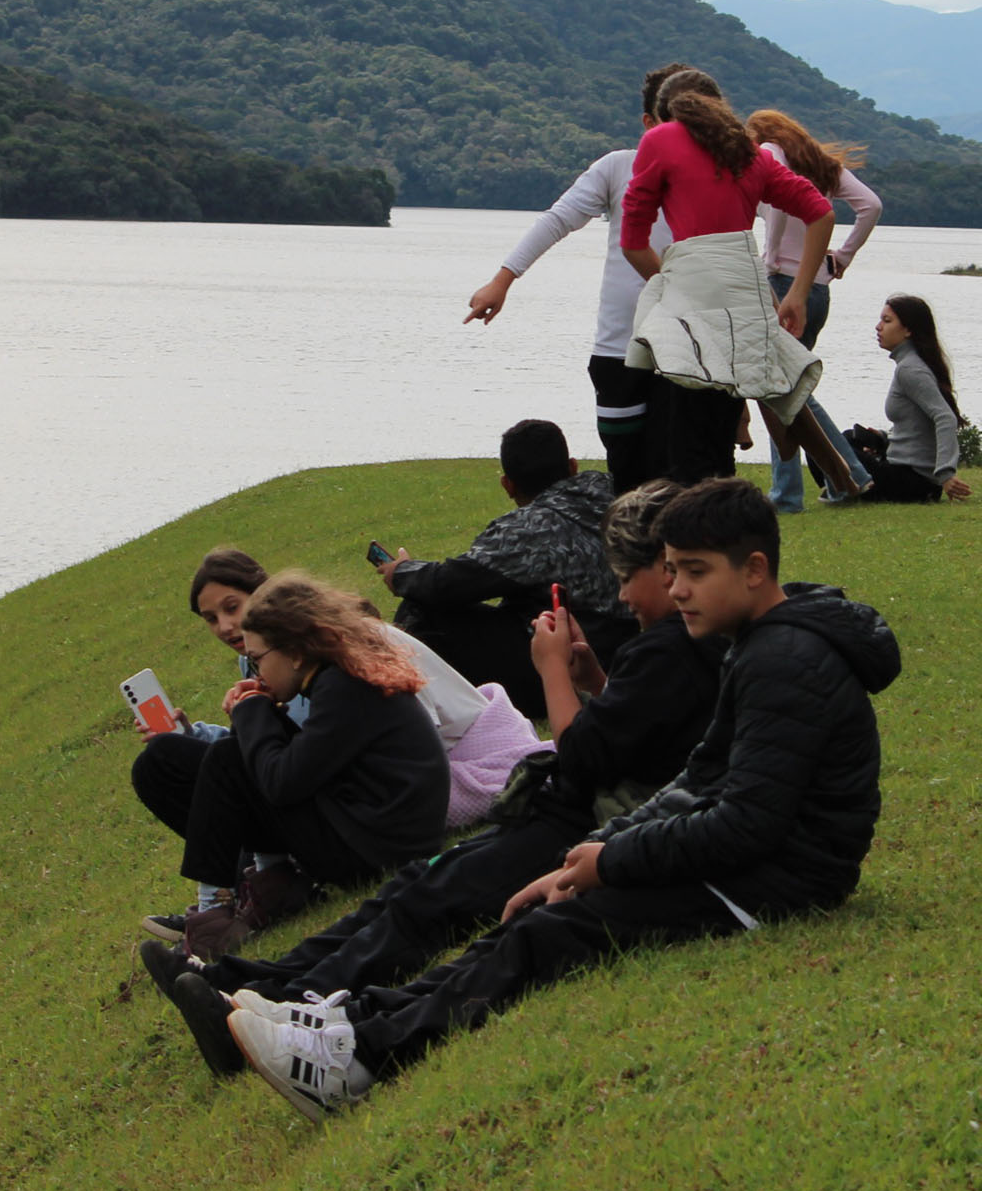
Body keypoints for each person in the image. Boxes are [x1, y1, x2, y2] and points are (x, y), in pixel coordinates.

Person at [222, 478, 895, 1118]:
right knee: (532, 909)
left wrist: (610, 864)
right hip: (752, 860)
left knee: (548, 933)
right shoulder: (755, 645)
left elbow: (746, 822)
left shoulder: (785, 660)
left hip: (777, 880)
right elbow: (701, 777)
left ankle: (359, 1057)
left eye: (694, 572)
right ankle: (352, 1022)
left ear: (752, 570)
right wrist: (598, 851)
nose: (678, 588)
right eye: (671, 570)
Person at [136, 482, 729, 1075]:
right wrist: (594, 678)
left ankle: (277, 1005)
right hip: (558, 811)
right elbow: (635, 733)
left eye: (655, 574)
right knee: (411, 889)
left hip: (580, 820)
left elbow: (582, 755)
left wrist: (552, 673)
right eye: (667, 572)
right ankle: (245, 987)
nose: (626, 593)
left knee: (428, 900)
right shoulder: (666, 648)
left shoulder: (674, 651)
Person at [136, 549, 501, 935]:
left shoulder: (346, 678)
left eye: (259, 660)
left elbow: (282, 777)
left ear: (292, 649)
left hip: (373, 842)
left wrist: (253, 711)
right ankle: (256, 889)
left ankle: (217, 910)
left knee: (229, 760)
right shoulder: (325, 672)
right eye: (211, 619)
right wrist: (249, 714)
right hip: (363, 824)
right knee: (167, 761)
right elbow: (295, 755)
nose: (227, 629)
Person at [463, 65, 697, 488]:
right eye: (674, 122)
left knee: (677, 478)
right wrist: (503, 279)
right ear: (649, 123)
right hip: (618, 352)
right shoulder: (616, 168)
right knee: (627, 479)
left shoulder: (716, 175)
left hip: (687, 350)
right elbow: (557, 220)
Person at [618, 76, 839, 483]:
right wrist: (797, 294)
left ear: (667, 114)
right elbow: (821, 212)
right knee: (720, 430)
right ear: (720, 107)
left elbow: (633, 242)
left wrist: (671, 286)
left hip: (695, 303)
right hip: (744, 304)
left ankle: (692, 525)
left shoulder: (660, 140)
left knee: (684, 433)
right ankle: (728, 516)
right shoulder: (750, 153)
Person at [374, 420, 629, 720]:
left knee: (422, 611)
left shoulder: (530, 529)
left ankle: (409, 709)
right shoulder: (618, 493)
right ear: (572, 466)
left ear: (508, 484)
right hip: (624, 652)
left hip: (563, 664)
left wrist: (401, 572)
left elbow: (447, 583)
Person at [750, 108, 883, 511]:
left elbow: (770, 214)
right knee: (792, 388)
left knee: (782, 389)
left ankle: (795, 492)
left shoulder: (769, 155)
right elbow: (871, 206)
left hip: (784, 286)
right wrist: (843, 255)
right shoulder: (824, 167)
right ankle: (848, 476)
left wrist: (769, 257)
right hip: (819, 288)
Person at [846, 295, 973, 503]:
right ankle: (848, 489)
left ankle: (846, 490)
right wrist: (884, 439)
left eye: (887, 321)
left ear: (908, 330)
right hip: (908, 476)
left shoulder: (910, 369)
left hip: (914, 484)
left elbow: (945, 418)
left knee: (833, 444)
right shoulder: (910, 363)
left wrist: (946, 474)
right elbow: (917, 427)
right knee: (850, 438)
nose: (878, 327)